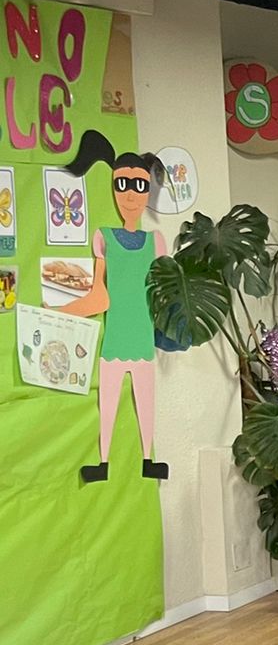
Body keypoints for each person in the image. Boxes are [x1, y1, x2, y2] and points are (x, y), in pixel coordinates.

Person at [57, 130, 174, 483]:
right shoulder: (104, 238)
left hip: (142, 340)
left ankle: (148, 460)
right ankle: (104, 462)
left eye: (139, 186)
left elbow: (163, 294)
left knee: (145, 402)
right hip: (115, 341)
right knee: (107, 404)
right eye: (122, 184)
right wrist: (59, 312)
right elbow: (100, 297)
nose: (131, 195)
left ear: (148, 190)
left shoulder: (156, 241)